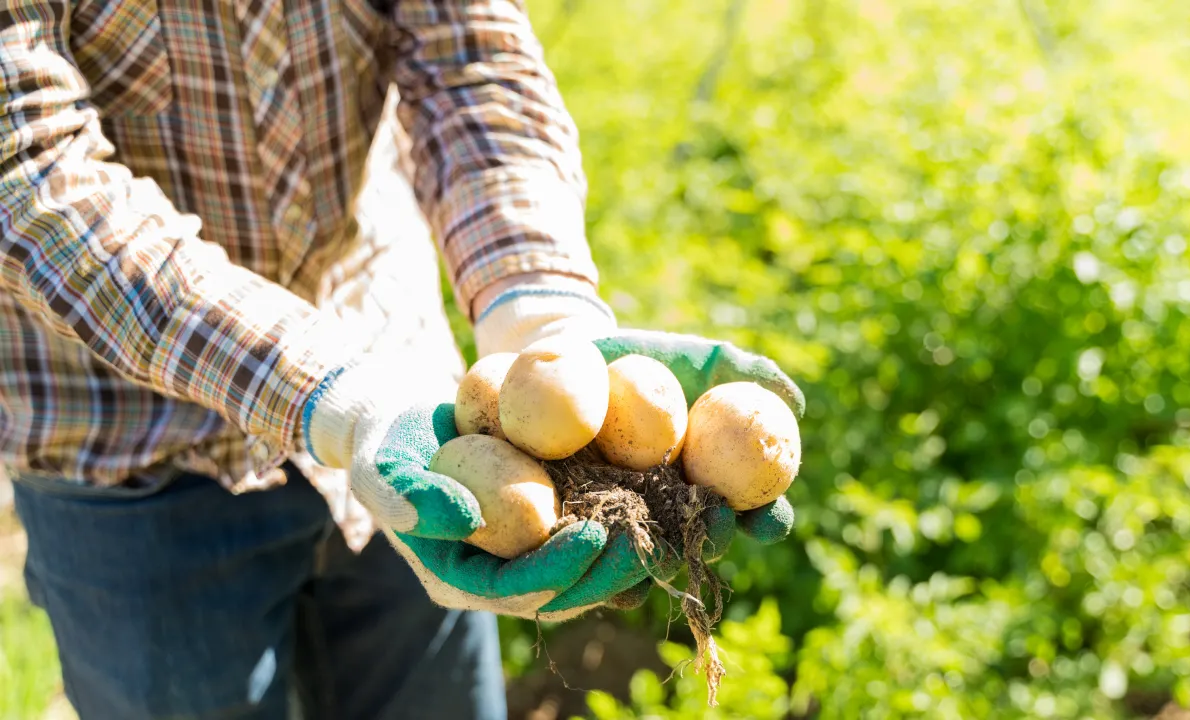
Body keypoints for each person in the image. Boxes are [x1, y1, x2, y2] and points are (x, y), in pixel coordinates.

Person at [0, 0, 802, 717]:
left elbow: (470, 57)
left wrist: (539, 311)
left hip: (413, 425)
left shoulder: (444, 444)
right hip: (128, 448)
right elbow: (30, 173)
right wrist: (333, 396)